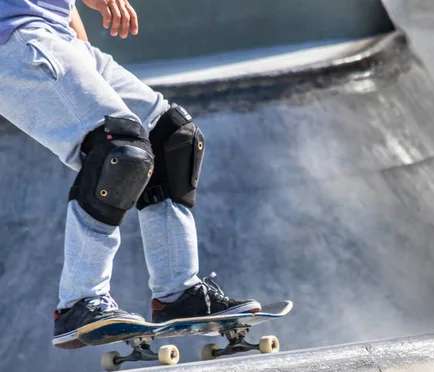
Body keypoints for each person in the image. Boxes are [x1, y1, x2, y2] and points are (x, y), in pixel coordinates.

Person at [0, 0, 261, 349]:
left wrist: (79, 50)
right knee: (120, 150)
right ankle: (81, 301)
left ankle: (178, 294)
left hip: (57, 37)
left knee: (172, 137)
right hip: (18, 39)